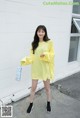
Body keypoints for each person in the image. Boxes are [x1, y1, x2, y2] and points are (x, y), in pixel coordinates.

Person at [20, 25, 55, 113]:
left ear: (45, 33)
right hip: (35, 68)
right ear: (37, 32)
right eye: (39, 31)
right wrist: (25, 60)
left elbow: (52, 54)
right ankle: (31, 104)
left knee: (47, 88)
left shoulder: (49, 42)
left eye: (42, 31)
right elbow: (32, 57)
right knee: (33, 88)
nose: (41, 33)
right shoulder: (34, 43)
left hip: (44, 68)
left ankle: (48, 103)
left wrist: (45, 54)